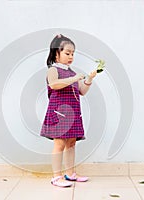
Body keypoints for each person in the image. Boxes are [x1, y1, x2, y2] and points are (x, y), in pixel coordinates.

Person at [40, 34, 97, 187]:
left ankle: (70, 173)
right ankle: (56, 177)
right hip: (59, 113)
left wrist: (89, 79)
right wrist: (74, 79)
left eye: (73, 53)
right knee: (59, 144)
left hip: (73, 113)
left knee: (71, 143)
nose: (71, 56)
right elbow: (54, 85)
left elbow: (82, 91)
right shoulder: (53, 70)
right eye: (67, 53)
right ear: (56, 53)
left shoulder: (72, 72)